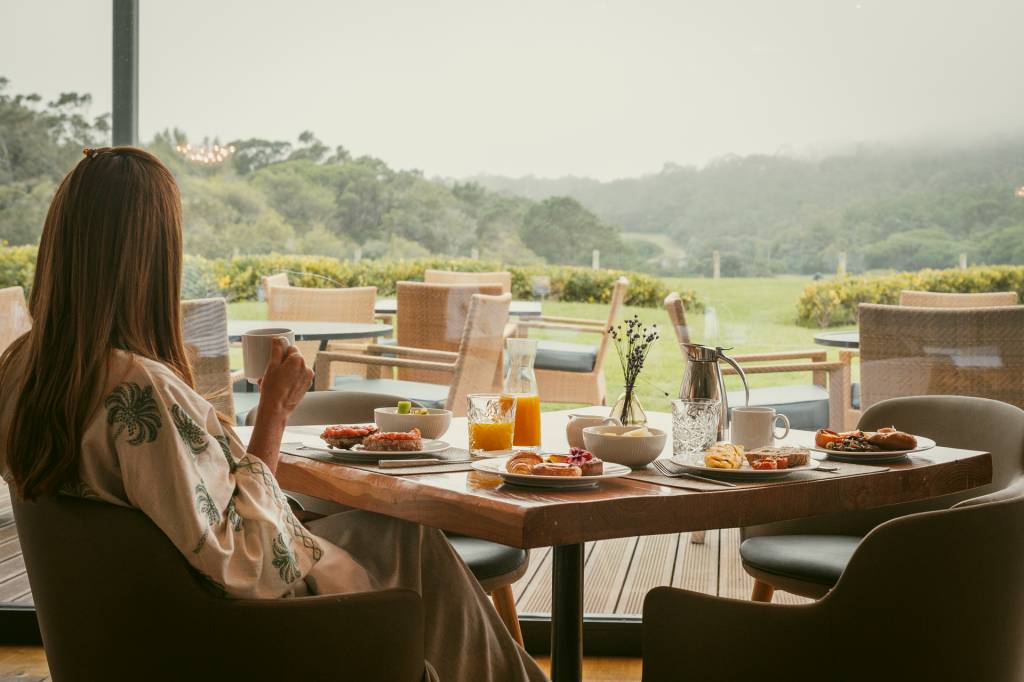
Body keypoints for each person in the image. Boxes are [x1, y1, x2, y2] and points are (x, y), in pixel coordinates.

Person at [0, 147, 548, 682]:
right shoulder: (140, 391)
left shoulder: (22, 367)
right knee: (418, 551)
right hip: (235, 635)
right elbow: (246, 562)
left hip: (139, 623)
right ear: (150, 258)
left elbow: (189, 519)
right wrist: (276, 413)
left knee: (400, 536)